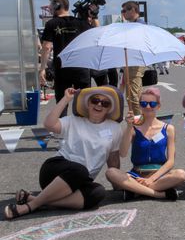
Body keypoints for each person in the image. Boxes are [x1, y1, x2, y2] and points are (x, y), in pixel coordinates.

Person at [4, 86, 124, 220]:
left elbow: (113, 157)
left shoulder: (114, 128)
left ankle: (34, 199)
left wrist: (117, 183)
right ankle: (30, 207)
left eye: (105, 103)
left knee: (98, 192)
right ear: (88, 103)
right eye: (95, 100)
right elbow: (49, 124)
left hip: (81, 180)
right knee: (80, 170)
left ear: (109, 109)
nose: (99, 105)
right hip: (56, 170)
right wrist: (65, 99)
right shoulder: (73, 120)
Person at [106, 87, 185, 201]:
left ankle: (136, 190)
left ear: (158, 106)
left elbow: (171, 161)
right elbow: (123, 153)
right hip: (136, 174)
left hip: (159, 175)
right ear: (139, 106)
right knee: (111, 172)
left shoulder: (169, 129)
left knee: (180, 174)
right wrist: (129, 127)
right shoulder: (133, 128)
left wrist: (151, 179)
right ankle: (158, 194)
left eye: (152, 103)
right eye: (143, 103)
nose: (148, 107)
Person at [39, 0, 99, 117]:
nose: (50, 8)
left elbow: (46, 47)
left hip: (62, 67)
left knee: (62, 102)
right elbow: (97, 34)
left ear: (57, 5)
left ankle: (62, 131)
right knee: (84, 102)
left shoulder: (51, 24)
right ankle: (84, 130)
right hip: (81, 67)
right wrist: (94, 15)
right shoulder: (81, 23)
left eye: (51, 5)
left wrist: (42, 69)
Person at [121, 1, 146, 115]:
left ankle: (139, 122)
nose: (123, 13)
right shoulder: (132, 25)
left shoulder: (139, 25)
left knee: (133, 96)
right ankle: (135, 122)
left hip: (135, 62)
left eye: (124, 11)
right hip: (130, 62)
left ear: (133, 10)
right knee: (130, 96)